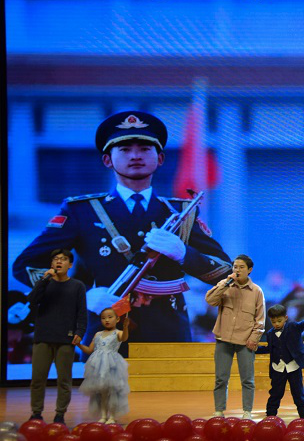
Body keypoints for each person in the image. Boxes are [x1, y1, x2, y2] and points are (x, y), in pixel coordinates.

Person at [13, 111, 232, 346]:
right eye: (125, 150)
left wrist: (183, 253)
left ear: (160, 159)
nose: (135, 156)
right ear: (107, 160)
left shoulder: (181, 213)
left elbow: (227, 273)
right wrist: (80, 295)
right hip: (105, 333)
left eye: (145, 149)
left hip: (169, 334)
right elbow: (26, 265)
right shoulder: (82, 211)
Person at [27, 249, 87, 424]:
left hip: (66, 338)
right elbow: (32, 301)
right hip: (43, 337)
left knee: (64, 380)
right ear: (52, 264)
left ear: (70, 265)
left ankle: (60, 414)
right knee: (38, 379)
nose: (59, 261)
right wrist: (44, 280)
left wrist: (80, 332)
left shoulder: (77, 286)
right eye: (56, 259)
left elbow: (82, 312)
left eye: (64, 259)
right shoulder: (44, 283)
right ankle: (36, 413)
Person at [205, 255, 265, 419]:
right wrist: (226, 283)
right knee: (221, 378)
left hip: (245, 341)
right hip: (223, 339)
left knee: (247, 380)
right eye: (235, 267)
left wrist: (254, 339)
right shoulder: (225, 285)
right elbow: (210, 300)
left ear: (249, 270)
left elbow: (260, 320)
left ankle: (247, 411)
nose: (237, 270)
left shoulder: (257, 291)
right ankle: (219, 410)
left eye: (241, 267)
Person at [256, 305, 304, 419]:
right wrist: (255, 349)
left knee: (298, 393)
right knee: (275, 393)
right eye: (273, 322)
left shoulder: (293, 327)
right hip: (278, 368)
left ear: (286, 318)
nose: (276, 324)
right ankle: (270, 416)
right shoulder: (270, 334)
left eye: (279, 321)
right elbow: (270, 349)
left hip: (293, 367)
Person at [76, 308, 130, 424]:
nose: (107, 320)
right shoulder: (98, 334)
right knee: (102, 393)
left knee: (112, 391)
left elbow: (124, 338)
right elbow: (89, 350)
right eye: (103, 318)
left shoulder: (118, 333)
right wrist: (79, 345)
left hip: (112, 365)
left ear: (117, 319)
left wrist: (125, 327)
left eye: (110, 317)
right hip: (98, 367)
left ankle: (113, 416)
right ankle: (104, 415)